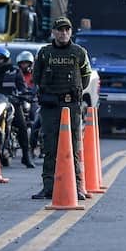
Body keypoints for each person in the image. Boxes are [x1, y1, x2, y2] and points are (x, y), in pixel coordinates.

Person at [31, 17, 92, 200]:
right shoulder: (44, 53)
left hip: (71, 106)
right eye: (60, 30)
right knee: (49, 146)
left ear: (71, 32)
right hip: (50, 106)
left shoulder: (79, 52)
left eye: (67, 29)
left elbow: (86, 76)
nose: (63, 33)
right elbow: (36, 76)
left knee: (72, 147)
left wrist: (74, 93)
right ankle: (48, 187)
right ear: (54, 32)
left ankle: (77, 187)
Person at [15, 50, 41, 154]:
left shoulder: (35, 75)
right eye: (22, 63)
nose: (24, 65)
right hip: (20, 100)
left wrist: (35, 93)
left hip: (33, 100)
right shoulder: (16, 74)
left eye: (26, 63)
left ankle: (35, 144)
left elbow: (38, 86)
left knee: (35, 120)